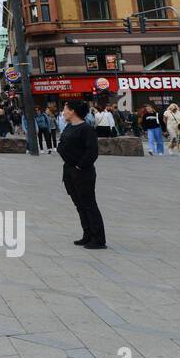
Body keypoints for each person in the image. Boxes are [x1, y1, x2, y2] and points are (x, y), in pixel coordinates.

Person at [58, 99, 105, 249]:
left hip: (82, 172)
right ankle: (87, 234)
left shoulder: (86, 129)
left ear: (73, 111)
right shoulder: (69, 127)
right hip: (69, 171)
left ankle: (98, 239)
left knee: (89, 205)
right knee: (79, 205)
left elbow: (92, 151)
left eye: (65, 109)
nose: (63, 112)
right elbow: (62, 145)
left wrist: (79, 165)